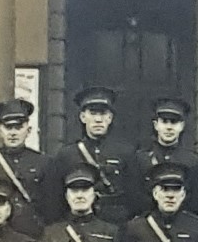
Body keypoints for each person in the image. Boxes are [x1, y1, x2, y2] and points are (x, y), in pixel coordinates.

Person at [44, 86, 137, 224]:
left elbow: (134, 195)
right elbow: (56, 198)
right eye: (92, 113)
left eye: (103, 114)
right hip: (79, 223)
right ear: (82, 117)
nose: (98, 119)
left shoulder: (126, 153)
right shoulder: (67, 154)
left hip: (117, 222)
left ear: (110, 118)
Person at [0, 98, 48, 234]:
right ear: (0, 131)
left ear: (28, 129)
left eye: (18, 127)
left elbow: (50, 204)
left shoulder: (43, 162)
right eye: (8, 127)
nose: (13, 133)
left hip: (33, 233)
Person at [137, 96, 198, 217]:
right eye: (164, 121)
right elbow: (135, 199)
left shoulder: (194, 162)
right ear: (156, 125)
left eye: (174, 122)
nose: (169, 127)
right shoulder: (140, 160)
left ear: (182, 126)